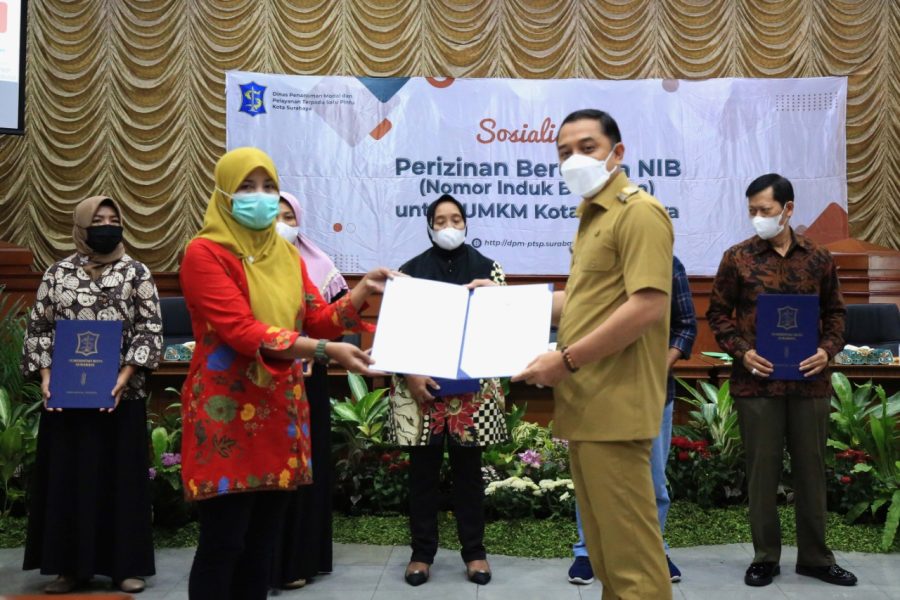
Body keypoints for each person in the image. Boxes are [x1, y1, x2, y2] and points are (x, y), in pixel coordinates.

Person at [178, 147, 392, 600]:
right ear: (223, 194)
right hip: (226, 416)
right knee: (224, 543)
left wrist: (360, 293)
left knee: (262, 544)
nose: (260, 197)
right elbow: (242, 331)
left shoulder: (285, 255)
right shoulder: (204, 254)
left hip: (279, 413)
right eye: (246, 187)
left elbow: (317, 318)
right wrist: (324, 350)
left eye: (268, 187)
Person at [505, 109, 674, 599]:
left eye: (587, 147)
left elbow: (648, 305)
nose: (574, 160)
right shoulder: (592, 217)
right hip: (588, 407)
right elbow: (580, 303)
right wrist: (499, 300)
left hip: (615, 407)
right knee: (606, 555)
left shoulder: (638, 212)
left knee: (634, 566)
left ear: (617, 153)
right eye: (564, 153)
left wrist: (566, 360)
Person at [706, 173, 857, 588]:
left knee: (812, 472)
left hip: (810, 382)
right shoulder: (737, 257)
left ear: (788, 209)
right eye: (752, 210)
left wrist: (827, 350)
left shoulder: (819, 258)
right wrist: (742, 351)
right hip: (757, 384)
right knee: (762, 475)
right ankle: (765, 557)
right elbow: (717, 314)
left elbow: (836, 314)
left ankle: (816, 559)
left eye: (765, 210)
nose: (758, 217)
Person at [22, 196, 162, 594]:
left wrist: (123, 376)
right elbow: (39, 329)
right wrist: (46, 376)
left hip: (120, 399)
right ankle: (69, 569)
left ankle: (124, 568)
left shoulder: (136, 272)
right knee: (69, 483)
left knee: (121, 483)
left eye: (113, 219)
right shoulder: (57, 273)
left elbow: (150, 330)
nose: (106, 226)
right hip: (66, 400)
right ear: (81, 226)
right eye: (97, 220)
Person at [386, 194, 509, 587]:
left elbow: (505, 326)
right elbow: (395, 331)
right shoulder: (410, 271)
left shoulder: (489, 268)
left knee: (469, 476)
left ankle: (475, 553)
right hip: (420, 390)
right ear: (429, 226)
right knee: (422, 477)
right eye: (440, 220)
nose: (449, 227)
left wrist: (495, 300)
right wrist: (411, 374)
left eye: (456, 219)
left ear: (466, 223)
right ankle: (421, 555)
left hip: (471, 394)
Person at [568, 255, 696, 586]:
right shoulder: (591, 262)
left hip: (652, 393)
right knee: (592, 475)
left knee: (652, 479)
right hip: (597, 389)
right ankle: (587, 552)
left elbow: (685, 327)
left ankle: (654, 549)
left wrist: (658, 365)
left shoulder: (668, 264)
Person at [269, 191, 349, 590]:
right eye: (275, 215)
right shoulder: (245, 264)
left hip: (309, 381)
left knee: (306, 470)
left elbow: (334, 324)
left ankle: (300, 560)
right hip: (263, 380)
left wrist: (318, 350)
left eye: (289, 216)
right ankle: (264, 563)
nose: (282, 224)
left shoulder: (318, 266)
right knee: (268, 471)